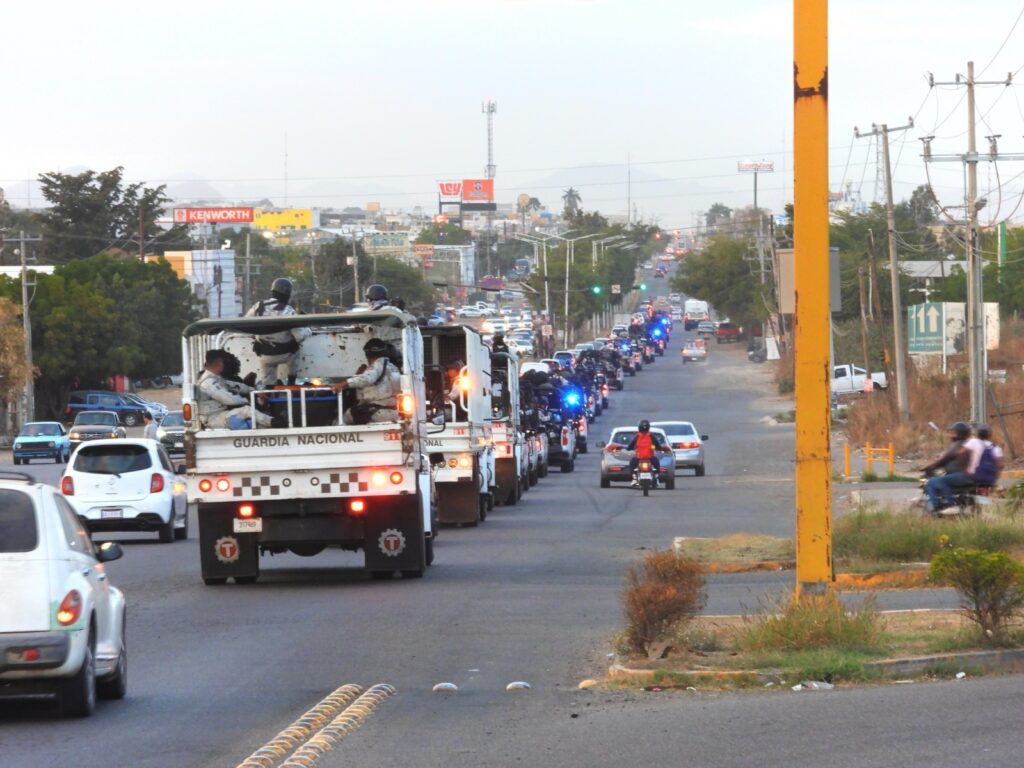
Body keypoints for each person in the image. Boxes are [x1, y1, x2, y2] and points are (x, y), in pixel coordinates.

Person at [246, 277, 310, 387]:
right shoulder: (289, 311)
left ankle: (269, 391)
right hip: (285, 355)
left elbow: (246, 325)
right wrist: (306, 327)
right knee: (296, 351)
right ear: (287, 294)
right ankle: (291, 382)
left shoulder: (259, 306)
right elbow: (300, 337)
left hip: (264, 354)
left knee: (268, 375)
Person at [197, 350, 274, 429]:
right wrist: (248, 400)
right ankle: (274, 422)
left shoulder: (216, 379)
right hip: (214, 419)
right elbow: (228, 399)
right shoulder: (208, 383)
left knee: (258, 423)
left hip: (221, 414)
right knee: (246, 411)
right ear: (220, 364)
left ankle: (272, 424)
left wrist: (254, 391)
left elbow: (236, 386)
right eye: (225, 363)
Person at [334, 338, 401, 424]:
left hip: (378, 411)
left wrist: (345, 383)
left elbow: (367, 379)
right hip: (393, 411)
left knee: (346, 416)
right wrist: (359, 375)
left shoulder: (378, 364)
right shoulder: (393, 367)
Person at [920, 421, 973, 512]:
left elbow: (945, 458)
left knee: (932, 482)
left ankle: (943, 506)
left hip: (961, 475)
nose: (951, 435)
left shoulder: (959, 444)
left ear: (960, 434)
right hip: (968, 475)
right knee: (942, 480)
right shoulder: (968, 444)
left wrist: (930, 467)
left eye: (954, 433)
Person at [625, 419, 670, 488]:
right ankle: (656, 477)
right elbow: (658, 445)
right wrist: (659, 449)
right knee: (656, 464)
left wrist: (628, 449)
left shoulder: (637, 436)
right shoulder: (651, 436)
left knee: (632, 464)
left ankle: (634, 478)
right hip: (650, 458)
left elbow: (631, 445)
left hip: (639, 458)